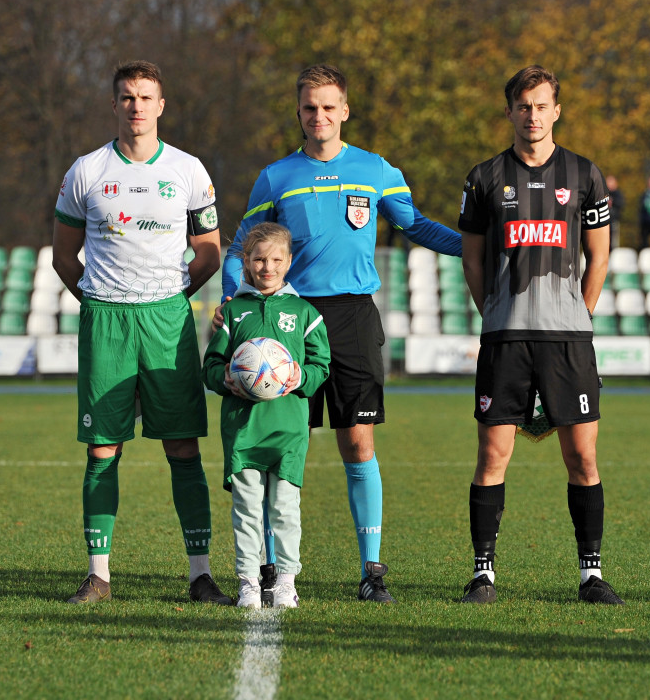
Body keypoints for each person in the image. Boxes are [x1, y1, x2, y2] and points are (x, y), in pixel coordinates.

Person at [220, 63, 461, 603]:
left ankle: (371, 570)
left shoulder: (374, 169)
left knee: (358, 441)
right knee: (278, 447)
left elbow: (415, 224)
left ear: (345, 111)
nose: (319, 115)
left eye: (329, 106)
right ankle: (266, 566)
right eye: (310, 107)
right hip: (287, 320)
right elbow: (242, 246)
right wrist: (232, 300)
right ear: (299, 113)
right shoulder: (277, 176)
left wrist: (474, 243)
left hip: (353, 318)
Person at [53, 61, 231, 605]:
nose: (136, 106)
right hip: (106, 318)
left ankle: (200, 575)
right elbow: (64, 257)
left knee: (182, 446)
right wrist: (98, 302)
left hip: (166, 320)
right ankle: (99, 576)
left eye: (146, 97)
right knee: (102, 449)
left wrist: (174, 296)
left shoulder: (188, 170)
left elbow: (209, 251)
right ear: (114, 106)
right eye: (127, 97)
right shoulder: (85, 170)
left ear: (161, 105)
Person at [457, 65, 622, 605]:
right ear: (510, 111)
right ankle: (483, 573)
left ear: (557, 110)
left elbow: (597, 252)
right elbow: (473, 258)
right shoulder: (484, 177)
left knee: (583, 457)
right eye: (523, 106)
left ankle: (590, 574)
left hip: (567, 339)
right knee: (492, 453)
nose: (533, 115)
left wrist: (582, 310)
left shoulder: (584, 174)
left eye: (542, 105)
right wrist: (493, 311)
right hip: (506, 336)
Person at [203, 222, 330, 609]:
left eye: (276, 259)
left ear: (289, 261)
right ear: (246, 262)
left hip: (289, 429)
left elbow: (321, 365)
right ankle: (249, 582)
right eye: (259, 259)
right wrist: (225, 379)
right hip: (244, 430)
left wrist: (298, 377)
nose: (267, 267)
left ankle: (287, 581)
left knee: (285, 508)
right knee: (246, 509)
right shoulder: (232, 313)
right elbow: (210, 367)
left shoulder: (305, 312)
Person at [605, 174, 625, 249]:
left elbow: (620, 204)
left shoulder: (618, 194)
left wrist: (611, 202)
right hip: (603, 221)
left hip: (613, 221)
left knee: (613, 242)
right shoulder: (602, 193)